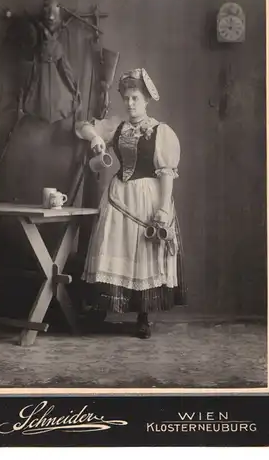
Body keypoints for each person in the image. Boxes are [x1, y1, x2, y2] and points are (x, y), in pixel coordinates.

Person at [75, 68, 186, 339]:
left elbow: (167, 174)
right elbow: (83, 126)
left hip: (147, 197)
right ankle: (101, 309)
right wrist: (97, 138)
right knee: (113, 247)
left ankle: (143, 316)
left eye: (135, 97)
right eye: (126, 98)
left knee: (143, 254)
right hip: (118, 197)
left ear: (146, 100)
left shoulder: (161, 132)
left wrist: (162, 208)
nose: (130, 103)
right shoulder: (117, 126)